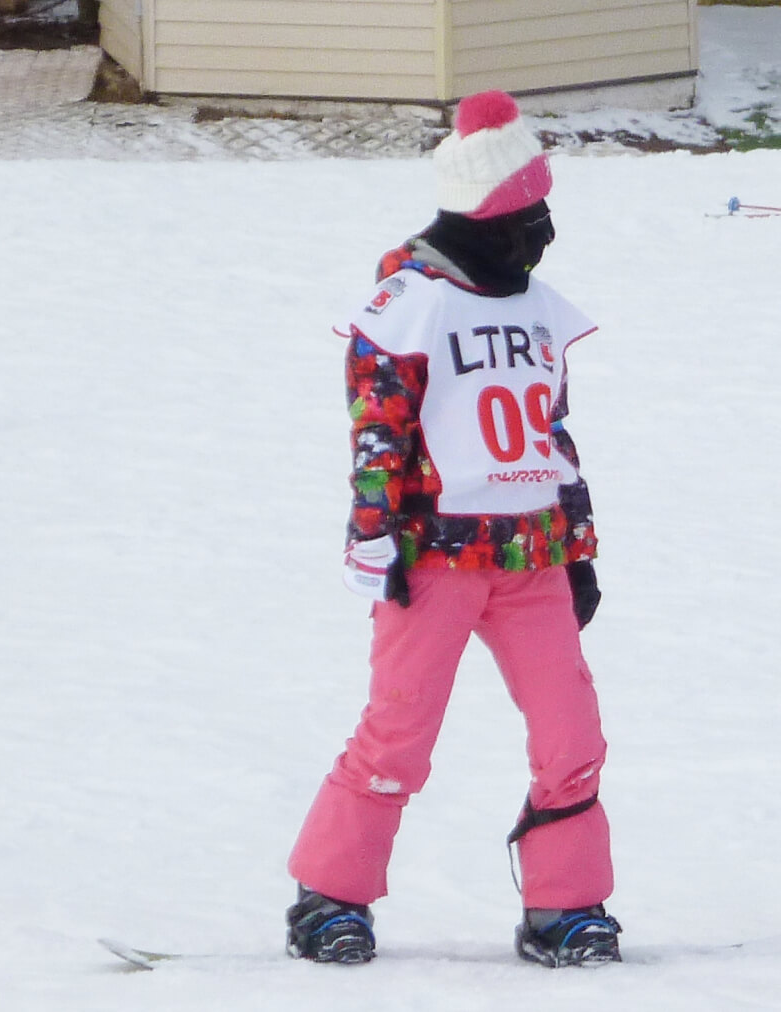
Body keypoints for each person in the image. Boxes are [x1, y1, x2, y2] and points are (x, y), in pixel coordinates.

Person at [284, 90, 621, 967]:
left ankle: (567, 907)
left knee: (573, 736)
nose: (546, 231)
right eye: (532, 214)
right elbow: (377, 431)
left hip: (532, 557)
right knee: (398, 734)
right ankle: (329, 898)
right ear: (491, 215)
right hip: (433, 557)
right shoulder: (410, 302)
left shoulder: (538, 304)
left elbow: (555, 435)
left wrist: (579, 550)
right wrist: (373, 537)